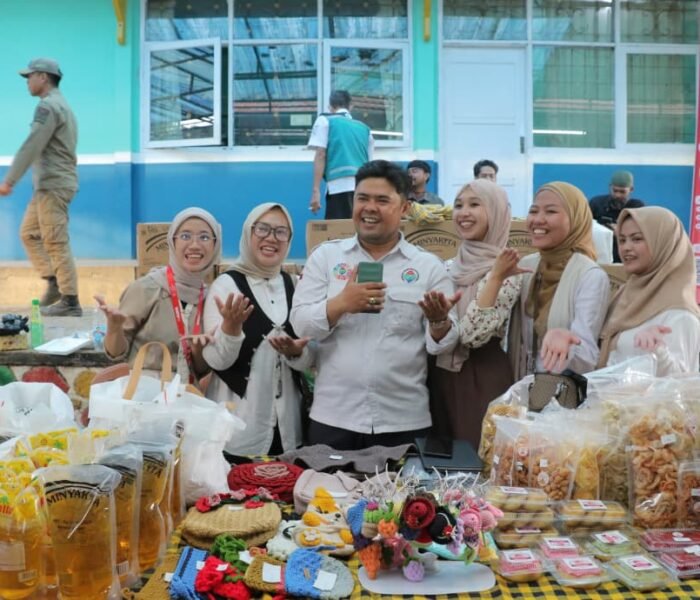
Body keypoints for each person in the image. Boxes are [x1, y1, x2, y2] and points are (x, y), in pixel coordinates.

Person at [291, 160, 460, 451]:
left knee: (403, 485)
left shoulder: (428, 266)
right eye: (362, 198)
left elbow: (444, 345)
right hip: (333, 417)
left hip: (403, 421)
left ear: (405, 208)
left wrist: (438, 322)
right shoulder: (326, 258)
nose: (369, 208)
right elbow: (301, 324)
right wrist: (341, 304)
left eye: (382, 200)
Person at [202, 203, 314, 456]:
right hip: (238, 428)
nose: (271, 238)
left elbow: (311, 357)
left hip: (289, 428)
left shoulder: (295, 285)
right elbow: (216, 360)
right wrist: (230, 329)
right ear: (247, 233)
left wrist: (296, 353)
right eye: (262, 229)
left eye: (281, 232)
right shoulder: (226, 285)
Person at [430, 179, 526, 448]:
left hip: (482, 376)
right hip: (439, 373)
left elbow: (472, 335)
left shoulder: (508, 271)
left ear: (496, 212)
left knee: (476, 456)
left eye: (475, 204)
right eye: (458, 205)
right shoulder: (447, 267)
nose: (464, 213)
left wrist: (495, 276)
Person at [95, 207, 221, 383]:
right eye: (185, 236)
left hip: (187, 395)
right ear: (172, 242)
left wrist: (198, 351)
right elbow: (115, 353)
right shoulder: (146, 289)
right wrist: (114, 328)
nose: (194, 245)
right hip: (144, 393)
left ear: (215, 246)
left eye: (204, 237)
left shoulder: (212, 299)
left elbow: (200, 370)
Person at [0, 58, 81, 316]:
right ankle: (54, 282)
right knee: (29, 233)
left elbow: (33, 143)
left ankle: (70, 301)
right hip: (49, 185)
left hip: (54, 185)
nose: (27, 82)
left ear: (43, 77)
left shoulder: (48, 106)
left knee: (55, 240)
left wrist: (10, 180)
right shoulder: (61, 104)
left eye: (30, 76)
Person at [509, 182, 610, 378]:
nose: (538, 220)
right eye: (533, 211)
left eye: (551, 211)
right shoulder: (527, 266)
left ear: (576, 219)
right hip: (521, 386)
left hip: (560, 390)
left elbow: (587, 356)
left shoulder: (589, 275)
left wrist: (565, 345)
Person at [595, 207, 700, 375]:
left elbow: (681, 382)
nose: (626, 247)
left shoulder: (679, 312)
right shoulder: (624, 294)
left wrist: (659, 352)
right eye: (622, 240)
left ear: (664, 244)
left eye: (637, 239)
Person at [308, 90, 373, 219]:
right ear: (351, 106)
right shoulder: (365, 129)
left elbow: (320, 154)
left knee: (338, 229)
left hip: (338, 186)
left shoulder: (325, 120)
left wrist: (316, 190)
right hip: (362, 188)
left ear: (330, 107)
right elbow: (370, 164)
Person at [589, 170, 645, 262]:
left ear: (631, 189)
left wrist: (621, 232)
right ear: (610, 187)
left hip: (626, 255)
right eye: (615, 191)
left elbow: (643, 233)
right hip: (599, 254)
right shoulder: (596, 203)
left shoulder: (637, 207)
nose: (617, 195)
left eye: (622, 192)